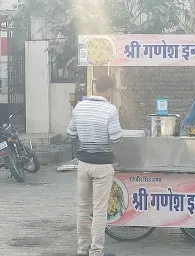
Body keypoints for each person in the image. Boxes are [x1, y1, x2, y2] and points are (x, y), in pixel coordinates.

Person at [67, 76, 123, 256]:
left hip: (83, 164)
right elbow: (116, 138)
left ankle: (82, 249)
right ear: (108, 91)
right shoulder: (110, 109)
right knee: (99, 210)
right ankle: (96, 252)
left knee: (83, 208)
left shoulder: (79, 107)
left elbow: (70, 133)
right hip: (103, 166)